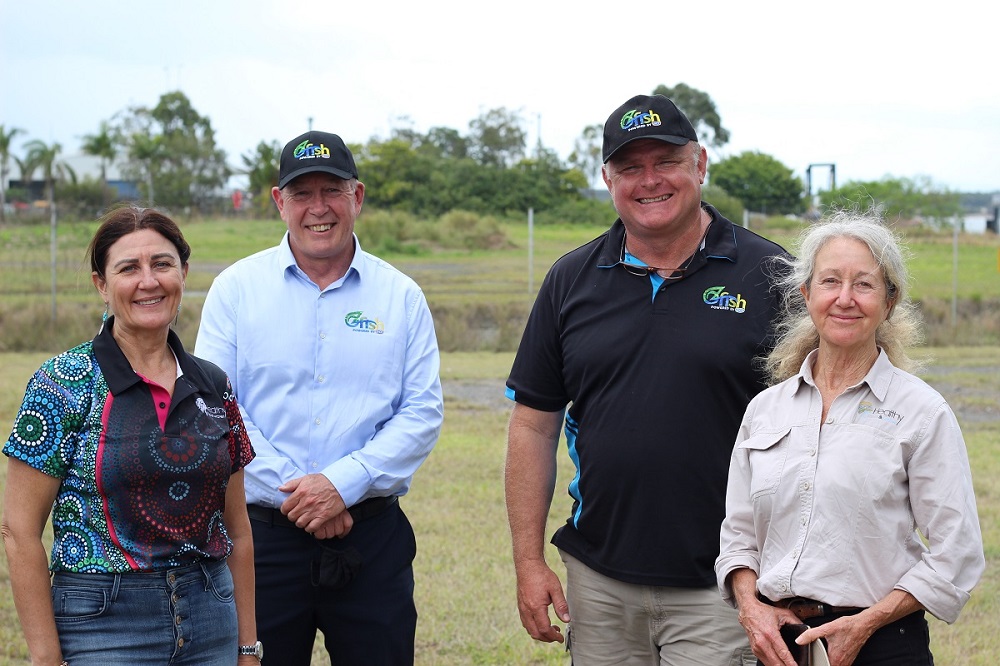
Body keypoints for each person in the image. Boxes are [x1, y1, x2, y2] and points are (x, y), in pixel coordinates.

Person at [504, 93, 787, 665]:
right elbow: (533, 426)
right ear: (607, 178)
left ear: (700, 164)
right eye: (630, 167)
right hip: (599, 579)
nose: (649, 180)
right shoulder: (570, 279)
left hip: (725, 580)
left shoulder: (770, 274)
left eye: (667, 162)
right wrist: (529, 563)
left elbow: (819, 425)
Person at [194, 129, 444, 665]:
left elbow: (421, 413)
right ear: (279, 202)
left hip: (370, 539)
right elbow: (215, 411)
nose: (318, 208)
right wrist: (302, 496)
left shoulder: (400, 296)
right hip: (262, 543)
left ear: (357, 197)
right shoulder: (236, 291)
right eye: (301, 193)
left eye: (331, 190)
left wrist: (341, 484)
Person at [715, 211, 986, 666]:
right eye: (829, 282)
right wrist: (750, 608)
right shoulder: (765, 409)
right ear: (805, 295)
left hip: (881, 643)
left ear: (889, 301)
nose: (845, 298)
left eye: (864, 284)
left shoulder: (922, 412)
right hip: (781, 645)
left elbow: (956, 554)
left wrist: (864, 624)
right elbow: (738, 536)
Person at [2, 206, 260, 665]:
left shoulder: (213, 384)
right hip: (103, 624)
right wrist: (46, 658)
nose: (148, 281)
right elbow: (19, 531)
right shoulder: (61, 383)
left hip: (211, 615)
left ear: (183, 271)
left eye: (162, 264)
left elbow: (237, 529)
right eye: (128, 268)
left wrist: (247, 648)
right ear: (102, 284)